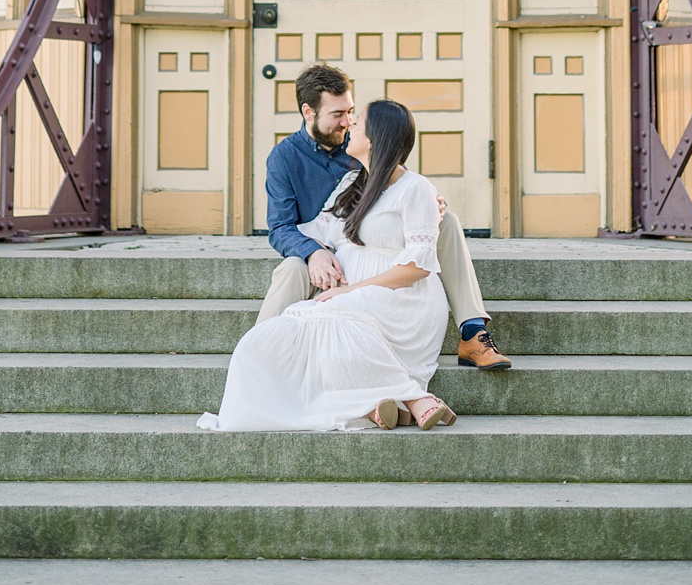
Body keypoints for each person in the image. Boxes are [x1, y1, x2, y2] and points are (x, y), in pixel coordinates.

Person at [202, 98, 459, 430]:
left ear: (377, 137)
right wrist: (313, 253)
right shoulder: (352, 184)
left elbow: (418, 267)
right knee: (277, 336)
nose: (349, 126)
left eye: (358, 123)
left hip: (403, 301)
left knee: (325, 318)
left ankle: (412, 397)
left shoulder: (416, 188)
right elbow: (313, 230)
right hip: (354, 300)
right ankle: (377, 403)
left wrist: (350, 290)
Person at [258, 63, 511, 370]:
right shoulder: (284, 158)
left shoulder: (361, 143)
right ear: (308, 112)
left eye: (350, 112)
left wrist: (428, 206)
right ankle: (259, 354)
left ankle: (472, 331)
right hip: (324, 250)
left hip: (372, 242)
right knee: (290, 268)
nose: (347, 122)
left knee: (446, 221)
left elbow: (399, 185)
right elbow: (281, 227)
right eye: (337, 115)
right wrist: (313, 253)